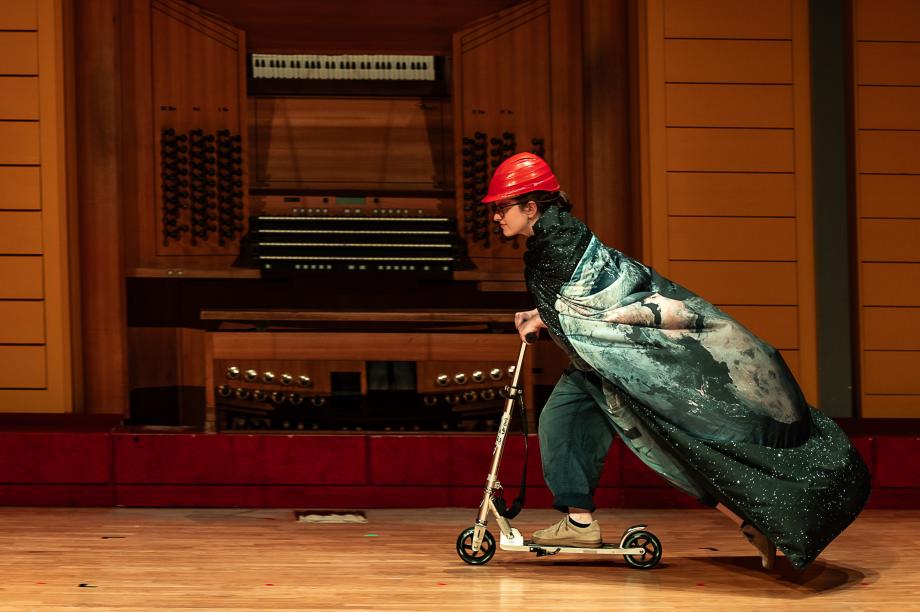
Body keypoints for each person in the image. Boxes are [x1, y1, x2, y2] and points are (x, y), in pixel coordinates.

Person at [482, 152, 870, 571]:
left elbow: (588, 308)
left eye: (503, 207)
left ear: (531, 207)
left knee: (668, 441)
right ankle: (579, 521)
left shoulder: (553, 247)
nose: (497, 216)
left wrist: (549, 318)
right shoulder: (558, 239)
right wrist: (544, 316)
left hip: (614, 362)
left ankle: (753, 520)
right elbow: (581, 305)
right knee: (564, 422)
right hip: (594, 360)